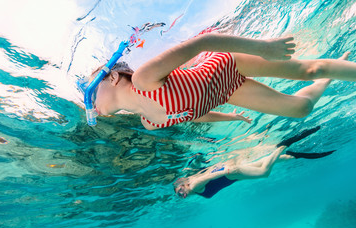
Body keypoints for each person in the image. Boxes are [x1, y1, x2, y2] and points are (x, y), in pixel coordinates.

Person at [92, 32, 354, 130]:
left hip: (225, 63)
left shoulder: (143, 80)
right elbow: (195, 115)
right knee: (301, 109)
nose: (90, 105)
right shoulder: (150, 123)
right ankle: (336, 72)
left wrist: (262, 48)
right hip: (228, 92)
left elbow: (203, 42)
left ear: (113, 76)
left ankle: (336, 68)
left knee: (309, 70)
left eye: (91, 93)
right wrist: (233, 117)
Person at [173, 126, 335, 198]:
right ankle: (294, 155)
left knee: (264, 173)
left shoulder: (194, 185)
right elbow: (205, 173)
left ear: (183, 186)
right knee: (266, 162)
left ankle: (282, 146)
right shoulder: (192, 183)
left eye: (180, 191)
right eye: (180, 195)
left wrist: (225, 171)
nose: (182, 194)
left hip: (232, 172)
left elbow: (206, 178)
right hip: (234, 173)